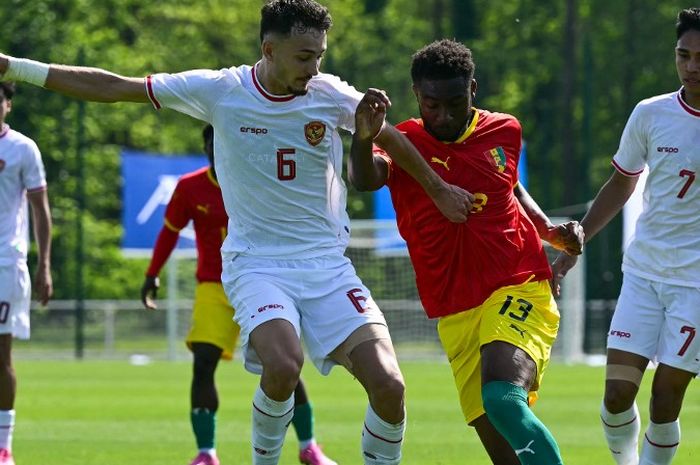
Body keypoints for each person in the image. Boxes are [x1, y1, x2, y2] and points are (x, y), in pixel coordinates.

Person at [0, 1, 475, 464]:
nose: (314, 67)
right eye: (304, 57)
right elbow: (115, 86)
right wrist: (16, 68)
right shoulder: (220, 90)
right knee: (284, 365)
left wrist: (438, 190)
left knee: (391, 386)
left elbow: (390, 138)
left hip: (328, 265)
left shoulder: (329, 94)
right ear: (269, 50)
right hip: (257, 263)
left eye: (321, 56)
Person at [349, 39, 584, 465]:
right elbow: (365, 180)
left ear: (472, 90)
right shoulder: (402, 142)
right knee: (504, 450)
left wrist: (546, 229)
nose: (443, 115)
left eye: (454, 102)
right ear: (417, 96)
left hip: (519, 282)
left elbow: (508, 185)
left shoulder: (505, 130)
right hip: (454, 309)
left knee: (503, 397)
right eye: (431, 104)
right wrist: (363, 139)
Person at [551, 8, 700, 465]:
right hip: (644, 272)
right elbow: (622, 181)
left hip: (696, 285)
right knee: (617, 393)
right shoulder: (650, 113)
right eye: (683, 55)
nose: (692, 66)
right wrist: (581, 237)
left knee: (665, 398)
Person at [140, 124, 337, 465]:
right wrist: (152, 274)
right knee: (202, 364)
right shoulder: (189, 188)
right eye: (210, 143)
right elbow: (169, 232)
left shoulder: (258, 182)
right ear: (205, 147)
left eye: (223, 141)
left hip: (261, 283)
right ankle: (206, 453)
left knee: (283, 365)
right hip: (213, 288)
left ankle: (309, 447)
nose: (217, 149)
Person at [0, 81, 53, 465]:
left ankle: (4, 445)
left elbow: (40, 210)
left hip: (5, 263)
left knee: (1, 358)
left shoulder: (22, 148)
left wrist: (44, 264)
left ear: (8, 105)